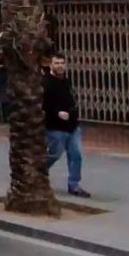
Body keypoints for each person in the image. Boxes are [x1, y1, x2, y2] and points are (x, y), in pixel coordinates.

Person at [43, 54, 89, 198]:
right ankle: (38, 173)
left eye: (62, 63)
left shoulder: (66, 82)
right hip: (55, 126)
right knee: (54, 154)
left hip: (72, 125)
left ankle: (74, 185)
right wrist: (57, 113)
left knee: (76, 155)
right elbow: (43, 104)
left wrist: (72, 113)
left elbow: (71, 99)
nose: (60, 66)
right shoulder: (45, 83)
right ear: (50, 65)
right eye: (56, 63)